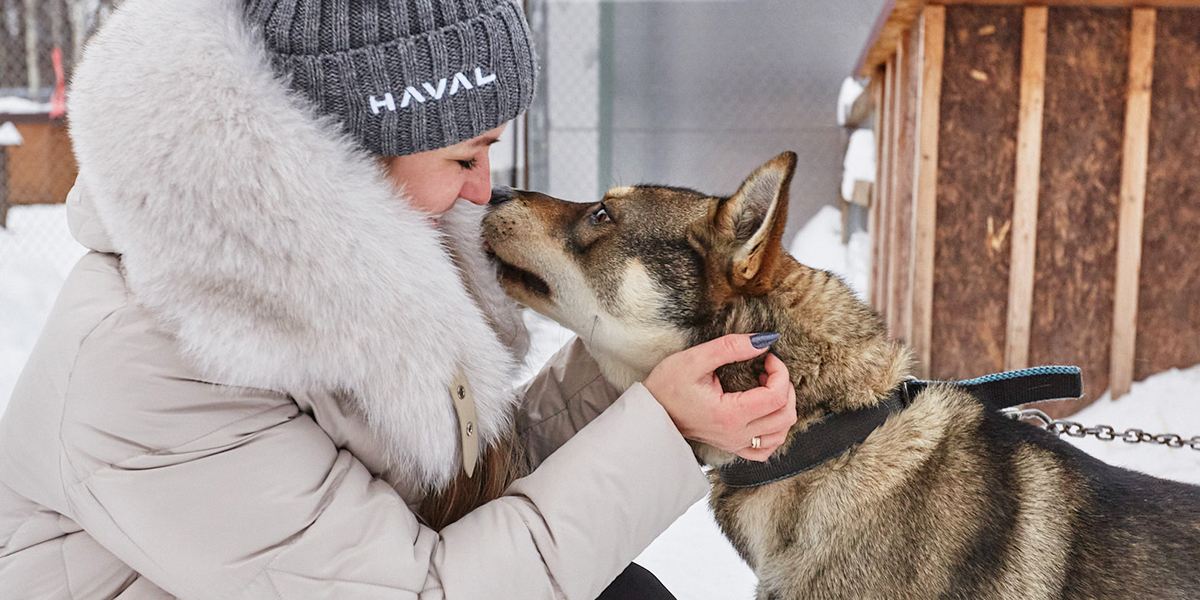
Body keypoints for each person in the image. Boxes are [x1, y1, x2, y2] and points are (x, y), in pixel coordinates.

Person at [0, 0, 796, 598]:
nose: (485, 188)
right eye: (465, 154)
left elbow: (467, 484)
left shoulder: (366, 248)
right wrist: (660, 432)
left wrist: (636, 379)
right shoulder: (149, 367)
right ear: (344, 145)